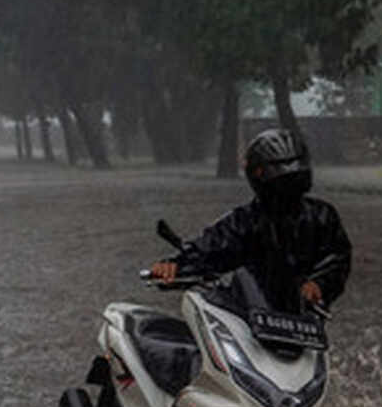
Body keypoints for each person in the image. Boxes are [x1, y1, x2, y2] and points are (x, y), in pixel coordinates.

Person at [150, 128, 351, 314]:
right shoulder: (245, 220)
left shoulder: (322, 216)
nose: (285, 188)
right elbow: (212, 247)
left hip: (304, 321)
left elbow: (337, 259)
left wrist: (317, 284)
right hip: (252, 317)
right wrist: (176, 265)